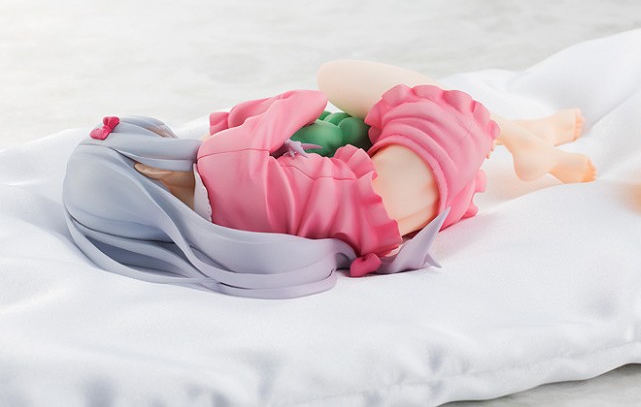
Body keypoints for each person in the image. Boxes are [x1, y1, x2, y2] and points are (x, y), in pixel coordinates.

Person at [63, 60, 595, 297]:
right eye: (159, 135)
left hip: (415, 219)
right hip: (418, 170)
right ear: (146, 165)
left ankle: (525, 135)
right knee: (338, 76)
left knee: (387, 125)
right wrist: (234, 123)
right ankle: (524, 141)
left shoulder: (224, 233)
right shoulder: (220, 158)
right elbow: (305, 100)